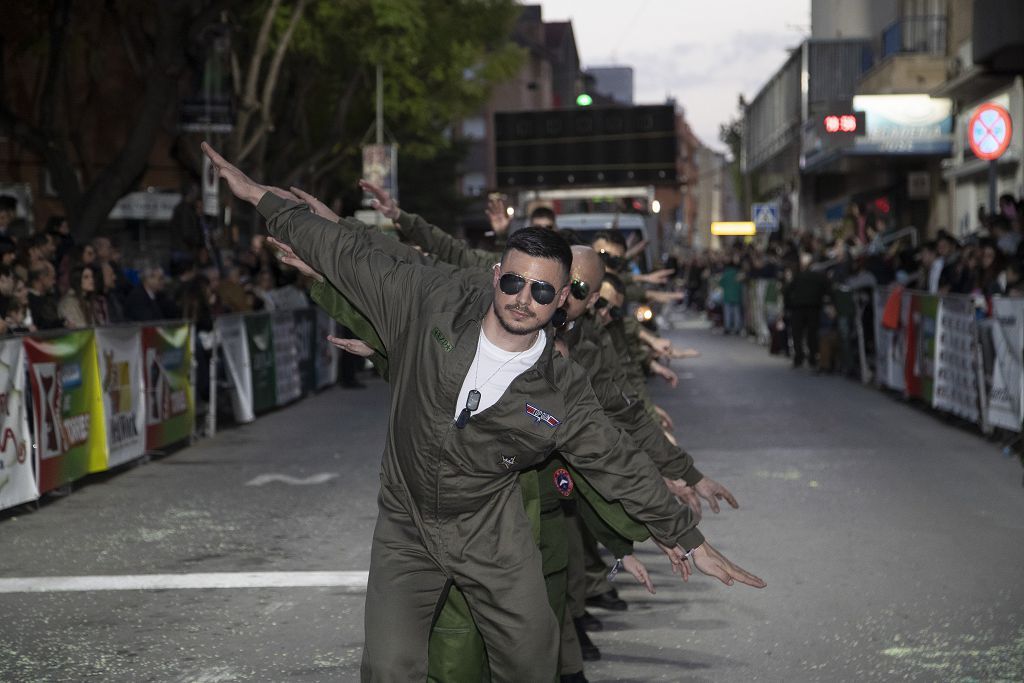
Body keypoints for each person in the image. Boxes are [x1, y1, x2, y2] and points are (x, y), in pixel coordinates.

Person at [203, 141, 765, 682]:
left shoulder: (562, 386)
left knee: (531, 657)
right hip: (407, 523)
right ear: (497, 275)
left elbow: (615, 461)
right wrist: (258, 197)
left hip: (489, 529)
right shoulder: (434, 302)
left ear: (562, 298)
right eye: (515, 282)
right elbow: (348, 255)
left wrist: (686, 537)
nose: (524, 299)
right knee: (390, 668)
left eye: (542, 292)